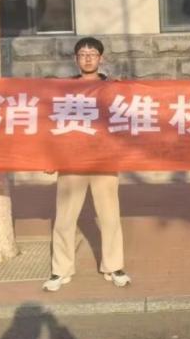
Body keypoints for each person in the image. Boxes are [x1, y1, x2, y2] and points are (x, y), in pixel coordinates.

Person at [43, 36, 131, 291]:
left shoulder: (113, 89)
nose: (88, 58)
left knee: (110, 217)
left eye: (92, 54)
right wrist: (50, 157)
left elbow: (125, 123)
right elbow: (53, 125)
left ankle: (114, 266)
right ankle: (60, 270)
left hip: (104, 160)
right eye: (82, 54)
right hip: (72, 161)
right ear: (76, 59)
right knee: (65, 218)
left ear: (101, 58)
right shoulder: (64, 90)